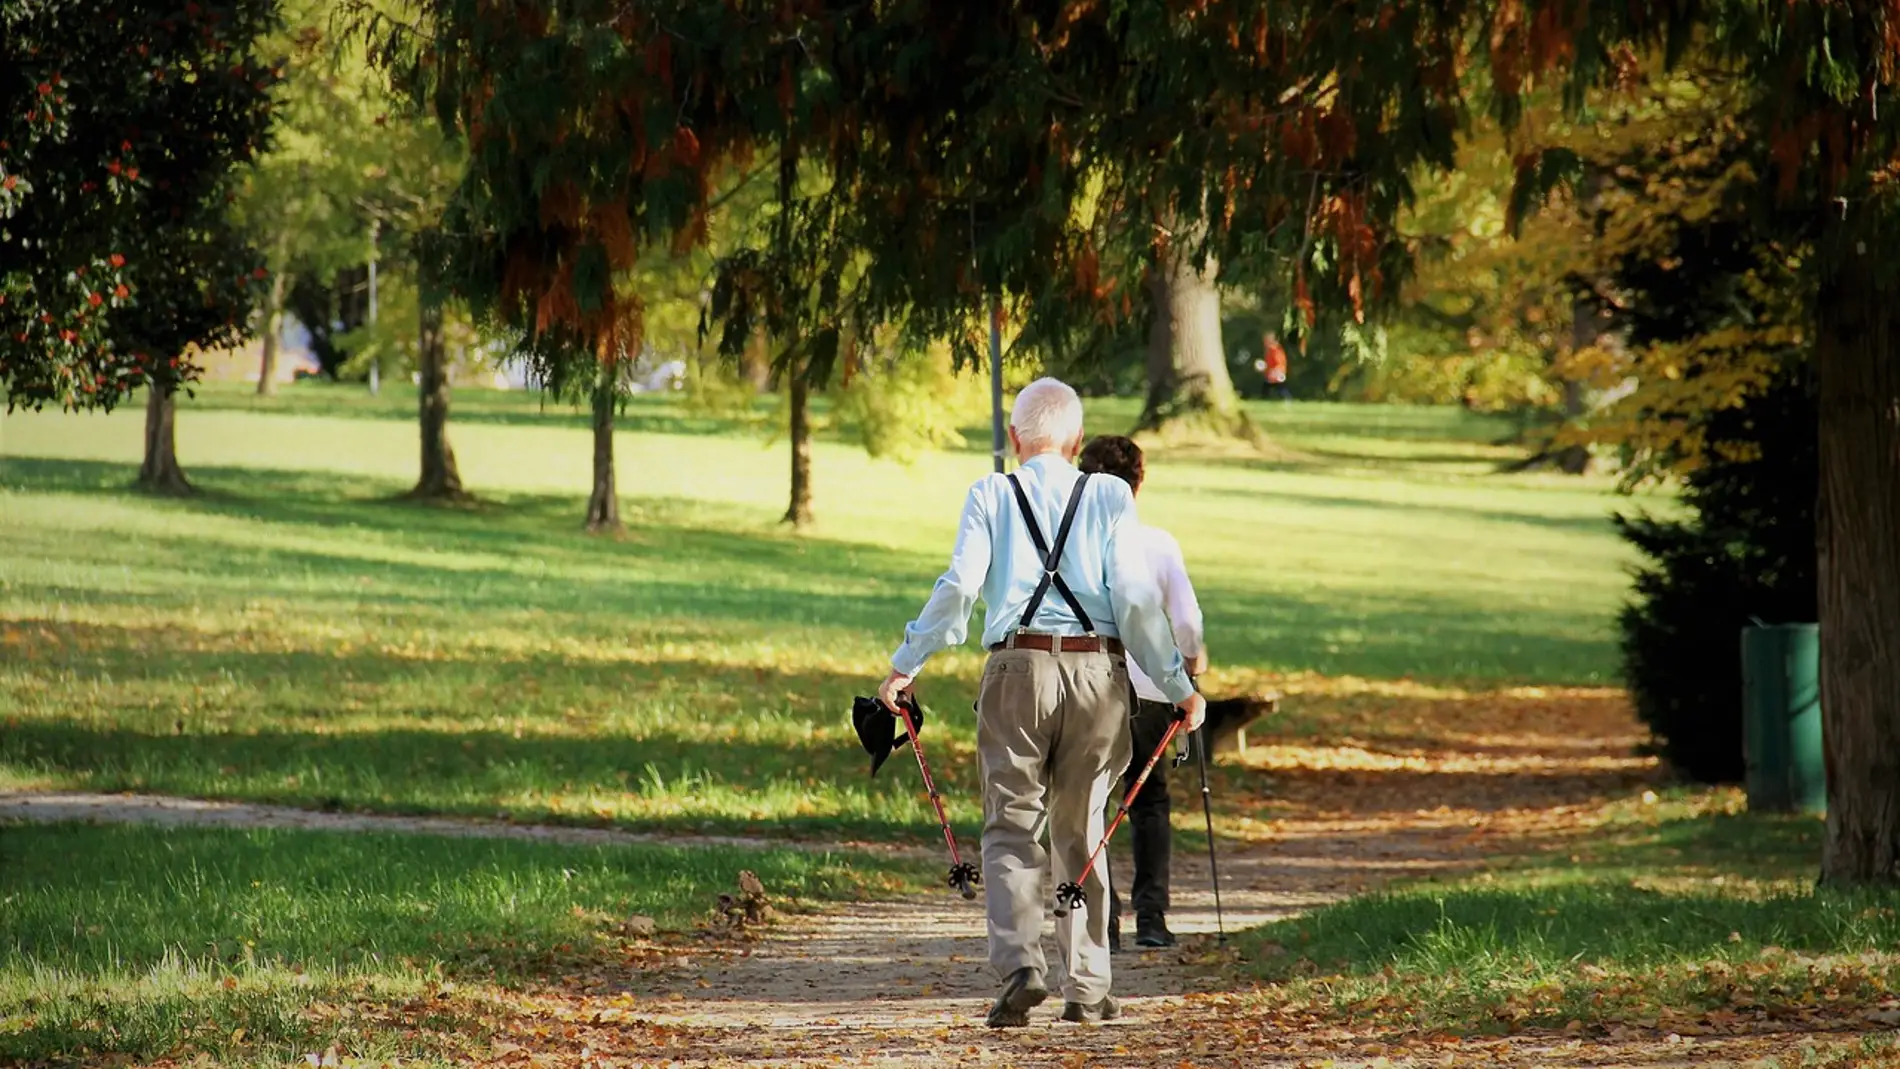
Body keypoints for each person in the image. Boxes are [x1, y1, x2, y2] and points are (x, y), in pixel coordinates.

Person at [878, 378, 1206, 1029]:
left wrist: (904, 665)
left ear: (1014, 439)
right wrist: (1178, 685)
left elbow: (960, 586)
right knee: (1083, 826)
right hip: (1096, 672)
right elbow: (1138, 604)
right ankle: (1087, 984)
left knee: (1009, 822)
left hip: (1015, 668)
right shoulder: (1110, 495)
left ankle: (1021, 966)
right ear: (1078, 442)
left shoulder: (990, 492)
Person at [1077, 435, 1206, 952]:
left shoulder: (1077, 546)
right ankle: (1151, 916)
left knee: (1092, 801)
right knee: (1150, 800)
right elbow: (1187, 620)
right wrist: (1192, 662)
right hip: (1153, 687)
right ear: (1139, 481)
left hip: (1092, 685)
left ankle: (1102, 919)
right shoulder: (1157, 543)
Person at [1262, 332, 1290, 400]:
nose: (1264, 342)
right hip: (1277, 373)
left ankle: (1287, 400)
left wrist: (1274, 371)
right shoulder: (1274, 349)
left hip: (1277, 373)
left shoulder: (1274, 349)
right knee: (1277, 388)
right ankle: (1287, 400)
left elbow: (1278, 362)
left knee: (1280, 388)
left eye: (1266, 340)